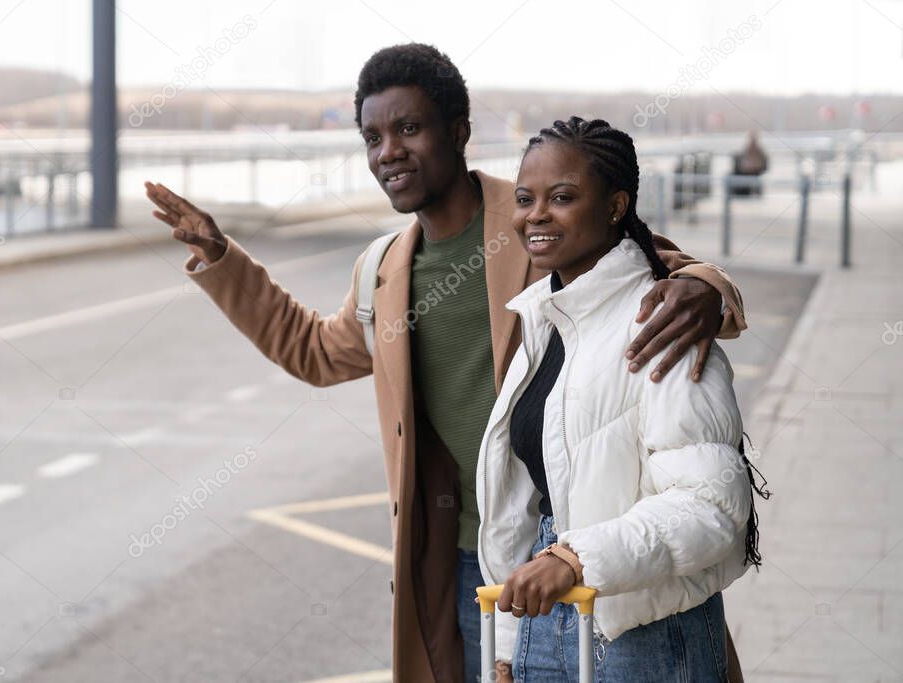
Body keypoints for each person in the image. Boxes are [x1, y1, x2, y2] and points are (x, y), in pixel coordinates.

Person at [144, 44, 747, 683]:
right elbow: (315, 352)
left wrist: (709, 286)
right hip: (466, 555)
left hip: (585, 548)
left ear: (459, 132)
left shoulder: (533, 216)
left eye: (409, 128)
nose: (388, 152)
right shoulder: (384, 267)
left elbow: (646, 271)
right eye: (372, 137)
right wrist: (223, 261)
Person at [477, 116, 759, 682]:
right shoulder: (543, 318)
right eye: (526, 197)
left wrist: (575, 558)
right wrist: (508, 644)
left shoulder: (664, 322)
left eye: (562, 197)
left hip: (648, 633)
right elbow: (525, 503)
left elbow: (711, 508)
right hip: (548, 615)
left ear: (614, 206)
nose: (536, 214)